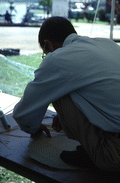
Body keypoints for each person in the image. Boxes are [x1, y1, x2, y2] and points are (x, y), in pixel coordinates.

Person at [13, 16, 120, 172]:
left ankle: (96, 153)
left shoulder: (58, 59)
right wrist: (66, 118)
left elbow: (24, 114)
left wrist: (33, 126)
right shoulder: (108, 44)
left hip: (113, 154)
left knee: (58, 89)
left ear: (47, 44)